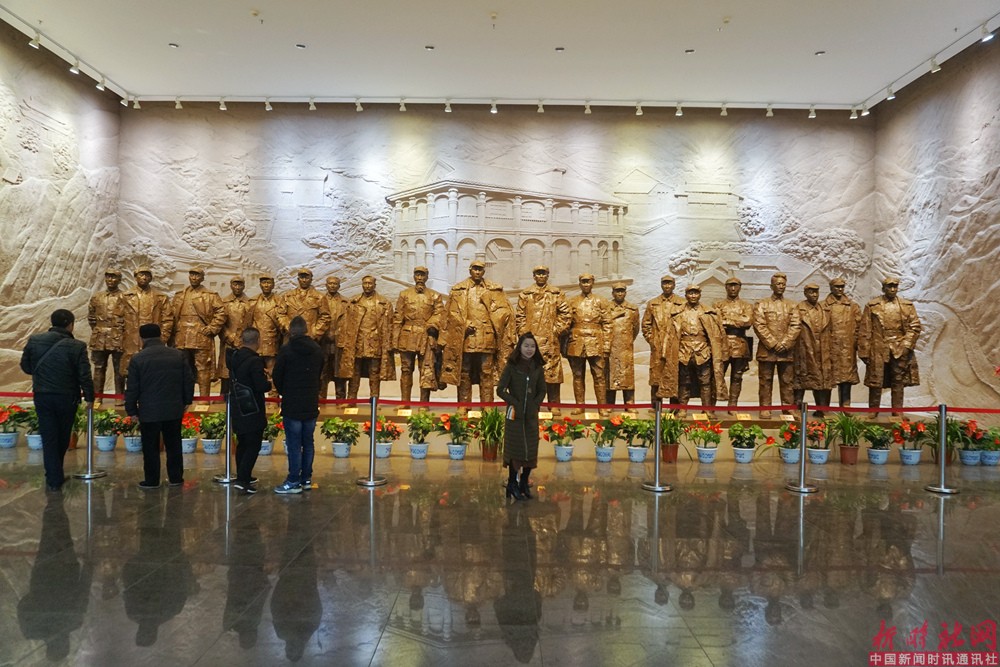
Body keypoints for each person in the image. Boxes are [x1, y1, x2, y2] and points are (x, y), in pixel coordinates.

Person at [20, 309, 95, 492]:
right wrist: (90, 397)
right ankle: (55, 476)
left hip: (43, 396)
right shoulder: (77, 346)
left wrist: (42, 375)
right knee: (62, 435)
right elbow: (84, 375)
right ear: (70, 324)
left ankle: (53, 476)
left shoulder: (35, 340)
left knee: (49, 436)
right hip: (66, 397)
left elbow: (26, 366)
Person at [125, 323, 195, 489]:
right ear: (160, 336)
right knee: (174, 445)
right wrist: (186, 401)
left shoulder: (138, 358)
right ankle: (176, 478)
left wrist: (131, 410)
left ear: (141, 338)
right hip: (173, 408)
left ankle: (152, 480)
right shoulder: (177, 355)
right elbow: (188, 380)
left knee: (150, 447)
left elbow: (132, 387)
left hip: (149, 410)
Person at [439, 260, 513, 412]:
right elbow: (450, 313)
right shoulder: (458, 290)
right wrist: (463, 323)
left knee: (486, 372)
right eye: (475, 269)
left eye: (480, 269)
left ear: (484, 271)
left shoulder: (494, 290)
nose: (477, 272)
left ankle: (487, 406)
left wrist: (495, 318)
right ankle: (464, 405)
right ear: (470, 270)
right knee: (464, 371)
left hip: (487, 337)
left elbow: (504, 311)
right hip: (466, 338)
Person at [272, 316, 323, 494]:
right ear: (306, 330)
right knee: (308, 442)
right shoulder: (317, 349)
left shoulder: (286, 350)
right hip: (310, 401)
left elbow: (277, 375)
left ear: (291, 331)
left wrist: (285, 391)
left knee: (294, 444)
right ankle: (306, 478)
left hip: (292, 402)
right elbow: (319, 373)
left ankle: (293, 480)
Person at [859, 277, 922, 415]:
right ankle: (873, 410)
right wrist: (864, 352)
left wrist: (906, 345)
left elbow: (915, 327)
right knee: (876, 380)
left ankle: (897, 411)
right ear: (883, 288)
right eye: (889, 287)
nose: (892, 289)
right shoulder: (872, 305)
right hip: (878, 347)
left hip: (899, 346)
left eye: (895, 286)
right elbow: (865, 330)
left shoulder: (907, 306)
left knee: (898, 379)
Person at [496, 332, 547, 501]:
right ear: (520, 347)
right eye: (526, 346)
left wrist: (535, 404)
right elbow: (500, 390)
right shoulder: (511, 366)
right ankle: (512, 483)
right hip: (515, 416)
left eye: (532, 346)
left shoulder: (537, 367)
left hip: (531, 416)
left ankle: (524, 483)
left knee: (530, 450)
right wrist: (515, 402)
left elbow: (542, 390)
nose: (529, 349)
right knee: (515, 451)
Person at [514, 266, 571, 411]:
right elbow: (519, 316)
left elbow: (566, 314)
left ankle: (554, 405)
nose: (541, 276)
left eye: (543, 274)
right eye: (538, 274)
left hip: (550, 340)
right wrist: (525, 335)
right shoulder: (525, 294)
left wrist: (556, 330)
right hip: (531, 343)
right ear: (533, 276)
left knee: (553, 375)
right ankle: (533, 407)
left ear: (547, 275)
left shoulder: (556, 294)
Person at [392, 267, 445, 405]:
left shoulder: (435, 295)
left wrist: (431, 326)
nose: (420, 278)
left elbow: (440, 314)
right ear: (414, 277)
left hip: (426, 336)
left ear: (427, 277)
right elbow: (398, 318)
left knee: (426, 370)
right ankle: (404, 403)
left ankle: (424, 404)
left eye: (423, 275)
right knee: (406, 370)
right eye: (417, 275)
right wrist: (394, 341)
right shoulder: (404, 294)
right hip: (407, 336)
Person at [228, 327, 271, 494]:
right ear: (258, 340)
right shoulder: (255, 361)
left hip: (238, 405)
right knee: (253, 444)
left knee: (243, 443)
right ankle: (243, 479)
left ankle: (242, 474)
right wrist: (268, 381)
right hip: (252, 407)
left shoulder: (234, 357)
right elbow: (260, 386)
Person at [171, 266, 225, 399]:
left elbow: (221, 312)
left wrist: (212, 327)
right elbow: (171, 316)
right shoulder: (180, 295)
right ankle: (185, 398)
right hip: (182, 336)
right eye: (192, 275)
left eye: (197, 275)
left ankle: (204, 399)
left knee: (203, 368)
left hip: (201, 336)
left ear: (202, 278)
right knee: (183, 368)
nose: (194, 278)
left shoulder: (210, 295)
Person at [673, 284, 729, 415]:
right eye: (690, 293)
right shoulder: (678, 312)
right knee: (684, 382)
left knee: (705, 382)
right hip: (684, 352)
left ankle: (707, 410)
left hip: (703, 352)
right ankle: (682, 409)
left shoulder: (709, 313)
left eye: (696, 293)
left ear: (700, 295)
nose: (693, 296)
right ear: (686, 295)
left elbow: (718, 335)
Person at [753, 272, 801, 418]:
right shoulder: (762, 304)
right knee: (765, 381)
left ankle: (788, 408)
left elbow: (796, 325)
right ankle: (765, 407)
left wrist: (785, 343)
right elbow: (759, 325)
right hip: (767, 350)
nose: (781, 286)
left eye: (783, 284)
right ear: (771, 286)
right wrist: (773, 343)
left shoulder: (792, 305)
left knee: (787, 381)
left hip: (786, 351)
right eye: (778, 284)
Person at [565, 274, 611, 415]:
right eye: (583, 282)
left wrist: (606, 345)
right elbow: (566, 323)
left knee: (599, 376)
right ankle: (580, 405)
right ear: (579, 283)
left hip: (596, 342)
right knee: (577, 375)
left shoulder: (601, 301)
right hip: (576, 342)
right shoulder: (572, 302)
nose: (585, 284)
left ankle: (602, 406)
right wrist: (565, 346)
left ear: (593, 283)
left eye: (588, 282)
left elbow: (608, 324)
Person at [343, 275, 395, 400]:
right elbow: (346, 323)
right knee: (354, 372)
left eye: (370, 283)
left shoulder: (384, 303)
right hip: (358, 342)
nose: (367, 286)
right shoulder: (354, 302)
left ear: (374, 285)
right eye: (365, 283)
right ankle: (351, 399)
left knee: (374, 372)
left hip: (375, 342)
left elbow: (390, 325)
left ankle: (374, 400)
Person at [642, 275, 685, 408]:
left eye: (669, 283)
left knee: (674, 375)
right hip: (658, 346)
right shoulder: (653, 303)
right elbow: (646, 325)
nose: (667, 286)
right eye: (665, 283)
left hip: (675, 346)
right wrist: (652, 340)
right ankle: (656, 407)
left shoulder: (682, 303)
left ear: (674, 285)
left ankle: (674, 408)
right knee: (656, 376)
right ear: (661, 285)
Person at [122, 266, 174, 376]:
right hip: (132, 340)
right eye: (141, 275)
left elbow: (168, 319)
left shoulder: (161, 297)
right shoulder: (125, 297)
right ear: (135, 277)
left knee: (154, 372)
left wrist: (162, 339)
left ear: (151, 278)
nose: (144, 278)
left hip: (154, 341)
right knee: (130, 372)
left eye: (147, 275)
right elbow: (117, 319)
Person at [712, 277, 754, 413]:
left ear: (740, 287)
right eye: (730, 286)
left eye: (736, 286)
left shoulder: (746, 306)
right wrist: (737, 321)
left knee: (737, 376)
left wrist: (726, 321)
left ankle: (733, 405)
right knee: (717, 375)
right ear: (726, 287)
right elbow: (715, 322)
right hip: (722, 344)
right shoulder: (718, 305)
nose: (733, 288)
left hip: (740, 344)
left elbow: (747, 322)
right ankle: (710, 407)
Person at [88, 268, 127, 406]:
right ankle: (97, 397)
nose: (110, 280)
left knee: (119, 369)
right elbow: (91, 318)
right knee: (99, 367)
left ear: (119, 280)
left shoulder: (125, 297)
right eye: (108, 277)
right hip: (99, 337)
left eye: (114, 277)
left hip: (118, 337)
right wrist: (99, 330)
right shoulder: (97, 297)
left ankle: (119, 396)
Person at [792, 284, 833, 411]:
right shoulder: (798, 309)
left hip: (822, 349)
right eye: (811, 292)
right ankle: (796, 409)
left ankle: (821, 410)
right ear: (805, 293)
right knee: (801, 380)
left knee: (821, 380)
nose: (814, 295)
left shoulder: (825, 310)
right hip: (804, 349)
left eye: (816, 292)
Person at [824, 277, 862, 407]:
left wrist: (855, 344)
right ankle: (823, 407)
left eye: (842, 287)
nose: (840, 289)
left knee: (846, 378)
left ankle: (846, 405)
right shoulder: (823, 306)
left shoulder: (853, 306)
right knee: (827, 377)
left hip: (847, 347)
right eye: (837, 287)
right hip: (828, 347)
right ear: (831, 288)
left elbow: (860, 327)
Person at [215, 276, 254, 394]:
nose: (237, 287)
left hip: (244, 342)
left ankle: (243, 396)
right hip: (228, 342)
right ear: (231, 285)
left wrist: (243, 339)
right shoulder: (223, 302)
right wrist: (228, 336)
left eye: (240, 284)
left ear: (244, 286)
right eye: (235, 284)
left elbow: (251, 323)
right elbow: (219, 322)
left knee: (243, 370)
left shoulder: (250, 303)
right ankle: (223, 396)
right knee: (226, 371)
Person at [605, 282, 640, 407]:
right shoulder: (606, 308)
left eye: (622, 291)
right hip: (611, 347)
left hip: (626, 348)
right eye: (617, 291)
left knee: (627, 376)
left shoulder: (632, 309)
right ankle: (609, 404)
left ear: (625, 293)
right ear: (612, 293)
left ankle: (629, 403)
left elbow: (635, 329)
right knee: (609, 376)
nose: (619, 293)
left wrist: (627, 341)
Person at [320, 276, 351, 399]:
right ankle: (321, 399)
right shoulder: (319, 300)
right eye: (330, 283)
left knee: (340, 373)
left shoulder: (346, 303)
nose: (332, 286)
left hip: (340, 343)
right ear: (326, 285)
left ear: (339, 286)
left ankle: (340, 399)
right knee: (322, 372)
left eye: (335, 284)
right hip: (322, 342)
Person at [249, 272, 285, 378]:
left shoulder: (279, 301)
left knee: (272, 372)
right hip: (256, 343)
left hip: (273, 342)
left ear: (273, 285)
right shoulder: (253, 301)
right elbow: (248, 323)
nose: (266, 285)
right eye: (263, 282)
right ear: (260, 284)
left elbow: (282, 322)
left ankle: (273, 389)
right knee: (255, 372)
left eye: (268, 283)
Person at [281, 268, 331, 342]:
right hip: (290, 337)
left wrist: (315, 332)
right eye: (302, 278)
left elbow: (325, 316)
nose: (304, 280)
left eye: (307, 278)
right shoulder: (287, 296)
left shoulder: (319, 297)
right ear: (298, 279)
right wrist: (288, 327)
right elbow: (280, 314)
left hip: (310, 337)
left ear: (311, 279)